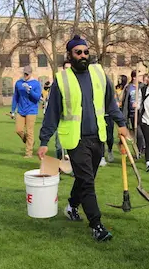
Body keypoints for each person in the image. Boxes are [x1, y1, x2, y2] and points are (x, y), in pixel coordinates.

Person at [39, 35, 129, 242]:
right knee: (87, 182)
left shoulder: (98, 74)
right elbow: (52, 112)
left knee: (85, 178)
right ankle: (97, 225)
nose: (83, 55)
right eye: (78, 52)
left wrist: (121, 124)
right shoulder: (62, 80)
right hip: (75, 140)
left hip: (97, 137)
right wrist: (44, 141)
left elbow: (110, 103)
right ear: (70, 55)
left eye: (86, 52)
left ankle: (72, 206)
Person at [11, 65, 42, 157]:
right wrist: (12, 110)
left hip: (31, 110)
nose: (25, 75)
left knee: (29, 132)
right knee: (18, 130)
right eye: (24, 73)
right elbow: (15, 97)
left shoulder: (36, 83)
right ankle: (29, 141)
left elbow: (37, 98)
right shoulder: (18, 83)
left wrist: (30, 91)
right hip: (20, 110)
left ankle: (28, 153)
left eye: (27, 74)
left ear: (30, 73)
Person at [122, 70, 145, 155]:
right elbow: (125, 102)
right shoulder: (129, 88)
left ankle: (142, 149)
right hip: (132, 114)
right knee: (138, 133)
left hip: (141, 114)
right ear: (134, 77)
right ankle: (140, 149)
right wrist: (124, 116)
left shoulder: (142, 86)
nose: (141, 77)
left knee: (142, 133)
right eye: (139, 76)